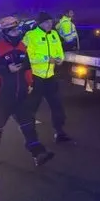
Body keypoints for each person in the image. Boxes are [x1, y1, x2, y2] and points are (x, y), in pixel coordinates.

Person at [0, 16, 55, 166]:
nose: (17, 32)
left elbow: (27, 68)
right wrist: (6, 69)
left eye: (18, 29)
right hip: (2, 97)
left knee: (28, 125)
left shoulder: (22, 47)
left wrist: (30, 83)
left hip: (20, 96)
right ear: (6, 32)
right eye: (14, 30)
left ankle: (38, 154)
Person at [23, 12, 71, 142]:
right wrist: (46, 59)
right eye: (46, 22)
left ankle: (59, 132)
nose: (50, 24)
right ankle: (30, 136)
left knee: (57, 106)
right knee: (32, 107)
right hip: (36, 77)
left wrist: (60, 59)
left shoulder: (54, 34)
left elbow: (59, 50)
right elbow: (27, 56)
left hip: (50, 76)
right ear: (40, 23)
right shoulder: (30, 36)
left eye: (51, 22)